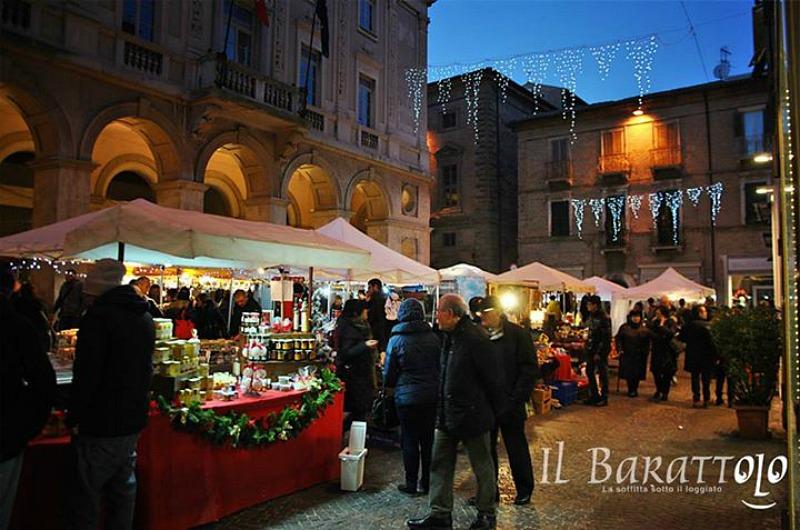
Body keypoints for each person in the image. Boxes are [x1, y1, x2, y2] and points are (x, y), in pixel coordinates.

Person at [66, 259, 155, 530]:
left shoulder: (98, 319)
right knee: (123, 487)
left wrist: (75, 416)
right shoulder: (144, 315)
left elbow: (87, 374)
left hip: (102, 419)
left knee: (87, 493)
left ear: (95, 291)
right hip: (133, 415)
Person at [407, 294, 502, 530]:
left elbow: (493, 378)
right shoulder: (449, 337)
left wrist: (488, 411)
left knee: (482, 466)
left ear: (450, 314)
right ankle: (439, 514)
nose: (435, 317)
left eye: (438, 311)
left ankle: (486, 515)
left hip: (472, 415)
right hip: (447, 413)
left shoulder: (475, 339)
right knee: (439, 463)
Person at [0, 266, 56, 530]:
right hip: (5, 436)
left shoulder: (18, 324)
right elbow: (43, 383)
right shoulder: (16, 326)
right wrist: (26, 428)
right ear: (11, 288)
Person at [479, 296, 538, 506]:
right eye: (481, 314)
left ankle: (524, 489)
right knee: (486, 450)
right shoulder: (481, 335)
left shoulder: (517, 335)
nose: (483, 318)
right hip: (487, 403)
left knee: (516, 447)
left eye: (486, 313)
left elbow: (530, 369)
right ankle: (488, 490)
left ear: (496, 312)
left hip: (511, 403)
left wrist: (516, 397)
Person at [383, 299, 440, 496]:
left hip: (406, 398)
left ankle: (410, 483)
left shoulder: (395, 340)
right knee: (428, 440)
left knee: (409, 439)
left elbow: (389, 375)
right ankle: (427, 483)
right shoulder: (434, 338)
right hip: (431, 396)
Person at [334, 299, 378, 427]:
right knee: (359, 410)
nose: (367, 313)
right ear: (357, 312)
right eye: (365, 311)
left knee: (360, 411)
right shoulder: (349, 328)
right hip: (354, 375)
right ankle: (348, 436)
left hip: (360, 374)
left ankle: (353, 437)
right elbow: (345, 353)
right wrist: (365, 345)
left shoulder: (357, 326)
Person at [680, 305, 716, 408]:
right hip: (706, 355)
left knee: (695, 377)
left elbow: (682, 338)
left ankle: (696, 398)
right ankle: (706, 399)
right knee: (706, 378)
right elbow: (712, 342)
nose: (706, 314)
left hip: (693, 354)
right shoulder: (708, 326)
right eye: (704, 312)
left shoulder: (688, 326)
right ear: (700, 313)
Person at [615, 309, 651, 397]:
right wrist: (619, 349)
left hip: (639, 355)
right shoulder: (624, 328)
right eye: (634, 317)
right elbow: (618, 339)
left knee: (637, 373)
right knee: (629, 372)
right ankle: (631, 389)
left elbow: (647, 342)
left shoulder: (644, 329)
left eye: (638, 317)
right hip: (627, 353)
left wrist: (646, 351)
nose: (636, 319)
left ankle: (634, 388)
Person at [583, 295, 611, 406]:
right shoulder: (591, 316)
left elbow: (605, 337)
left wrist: (599, 352)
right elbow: (590, 332)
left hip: (599, 350)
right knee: (589, 371)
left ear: (595, 305)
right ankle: (594, 395)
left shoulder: (604, 318)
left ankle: (604, 397)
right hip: (590, 349)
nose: (587, 306)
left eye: (589, 304)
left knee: (602, 372)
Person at [649, 306, 679, 402]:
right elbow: (651, 334)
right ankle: (659, 389)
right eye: (656, 313)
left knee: (667, 373)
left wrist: (662, 326)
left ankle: (665, 392)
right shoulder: (654, 322)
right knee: (656, 371)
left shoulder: (671, 322)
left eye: (659, 313)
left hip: (668, 351)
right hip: (657, 350)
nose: (657, 315)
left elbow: (671, 334)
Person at [12, 281, 52, 353]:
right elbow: (43, 317)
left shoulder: (17, 303)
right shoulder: (37, 303)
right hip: (37, 331)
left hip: (22, 333)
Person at [366, 278, 388, 351]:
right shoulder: (385, 298)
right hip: (384, 333)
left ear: (375, 287)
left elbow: (372, 317)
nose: (368, 290)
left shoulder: (376, 299)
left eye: (369, 287)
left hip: (376, 333)